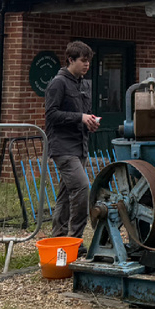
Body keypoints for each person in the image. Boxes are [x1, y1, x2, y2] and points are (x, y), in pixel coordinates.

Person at [44, 40, 100, 242]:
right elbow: (51, 115)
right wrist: (80, 118)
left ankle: (58, 238)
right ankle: (75, 240)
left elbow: (84, 114)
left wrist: (90, 121)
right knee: (83, 188)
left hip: (80, 145)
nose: (86, 65)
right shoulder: (58, 83)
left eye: (88, 61)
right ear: (70, 59)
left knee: (66, 194)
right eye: (83, 61)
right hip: (63, 146)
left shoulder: (84, 83)